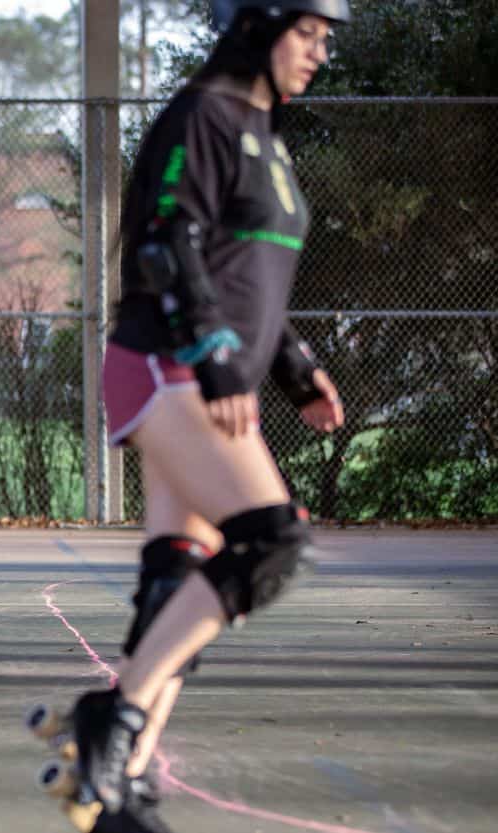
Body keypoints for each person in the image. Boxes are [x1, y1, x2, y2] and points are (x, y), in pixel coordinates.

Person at [65, 2, 350, 829]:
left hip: (204, 363)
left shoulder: (266, 133)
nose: (320, 53)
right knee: (271, 538)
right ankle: (111, 720)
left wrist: (293, 368)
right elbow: (164, 243)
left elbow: (245, 274)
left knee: (181, 572)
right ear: (260, 28)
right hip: (167, 359)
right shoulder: (204, 115)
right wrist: (221, 356)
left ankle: (127, 785)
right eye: (310, 33)